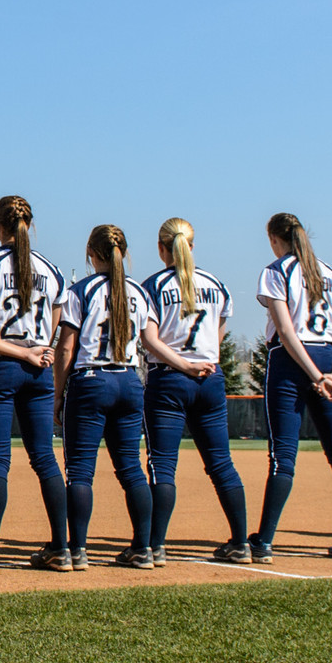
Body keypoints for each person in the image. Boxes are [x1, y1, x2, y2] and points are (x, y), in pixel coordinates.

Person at [0, 196, 72, 572]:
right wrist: (32, 351)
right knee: (44, 458)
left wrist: (17, 352)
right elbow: (54, 325)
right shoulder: (52, 269)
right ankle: (62, 548)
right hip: (37, 370)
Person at [252, 212, 332, 561]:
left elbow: (286, 331)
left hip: (292, 362)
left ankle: (264, 542)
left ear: (275, 239)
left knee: (283, 455)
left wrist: (313, 375)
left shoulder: (277, 271)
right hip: (330, 359)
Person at [135, 217, 248, 567]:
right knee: (221, 464)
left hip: (170, 379)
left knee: (163, 466)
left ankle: (154, 546)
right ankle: (242, 542)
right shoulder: (215, 283)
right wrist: (203, 360)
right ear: (192, 246)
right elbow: (219, 329)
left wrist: (183, 365)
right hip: (210, 379)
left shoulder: (152, 286)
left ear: (161, 248)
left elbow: (149, 339)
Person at [55, 224, 151, 571]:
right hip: (128, 377)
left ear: (92, 254)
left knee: (80, 471)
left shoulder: (81, 290)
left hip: (91, 379)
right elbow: (149, 340)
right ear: (123, 253)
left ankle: (76, 550)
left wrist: (58, 394)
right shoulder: (139, 293)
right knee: (131, 469)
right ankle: (143, 547)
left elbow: (66, 347)